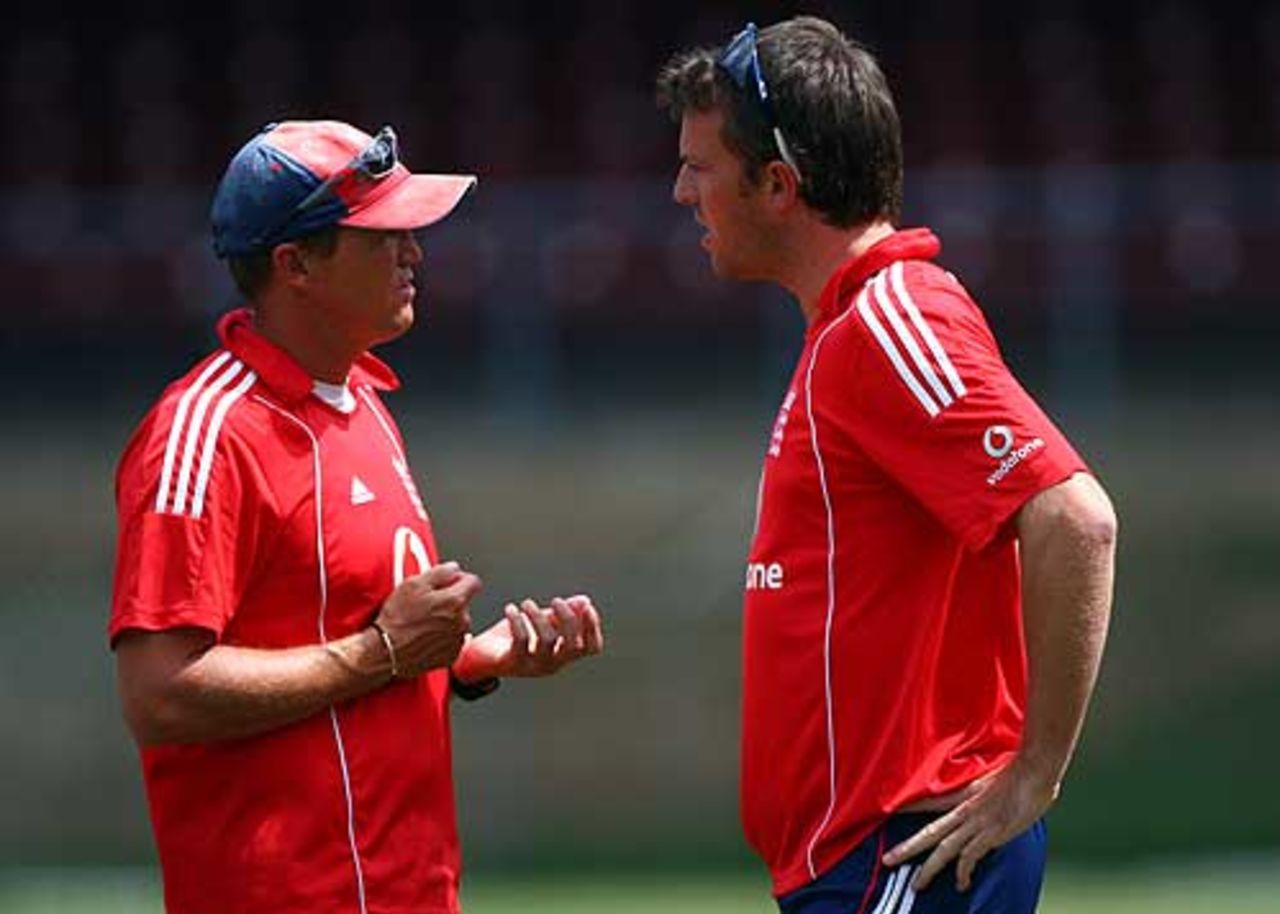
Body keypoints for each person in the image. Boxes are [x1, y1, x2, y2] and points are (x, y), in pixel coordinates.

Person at [657, 17, 1116, 914]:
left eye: (699, 167)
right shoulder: (850, 327)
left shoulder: (885, 321)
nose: (680, 193)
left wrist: (1035, 775)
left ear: (779, 184)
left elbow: (1076, 517)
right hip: (865, 862)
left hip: (898, 856)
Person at [108, 119, 604, 914]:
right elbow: (159, 694)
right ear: (294, 264)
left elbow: (348, 640)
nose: (414, 254)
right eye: (382, 235)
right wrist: (382, 652)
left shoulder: (365, 404)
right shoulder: (201, 433)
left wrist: (470, 659)